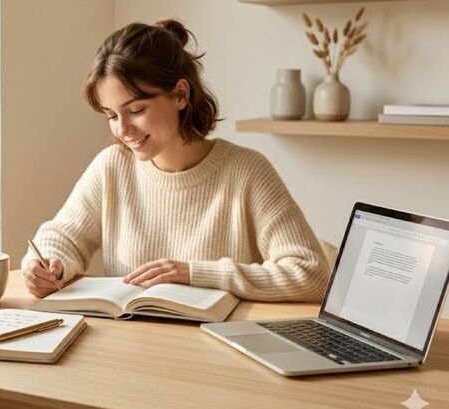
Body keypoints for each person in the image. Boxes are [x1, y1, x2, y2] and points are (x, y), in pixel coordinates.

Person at [21, 19, 330, 302]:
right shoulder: (112, 167)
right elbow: (62, 237)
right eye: (112, 116)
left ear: (181, 94)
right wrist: (48, 264)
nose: (123, 129)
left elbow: (312, 274)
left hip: (216, 351)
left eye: (137, 110)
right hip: (128, 344)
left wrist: (193, 273)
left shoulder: (246, 171)